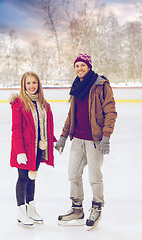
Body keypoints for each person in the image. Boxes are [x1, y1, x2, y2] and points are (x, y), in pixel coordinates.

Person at [55, 53, 117, 230]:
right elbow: (71, 115)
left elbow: (111, 112)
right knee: (73, 174)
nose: (79, 69)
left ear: (89, 66)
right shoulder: (76, 86)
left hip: (95, 140)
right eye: (77, 66)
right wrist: (63, 136)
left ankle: (97, 207)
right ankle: (77, 209)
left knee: (94, 177)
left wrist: (106, 137)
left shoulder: (101, 85)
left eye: (82, 65)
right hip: (78, 140)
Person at [9, 72, 56, 227]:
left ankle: (31, 208)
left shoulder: (43, 104)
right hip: (23, 150)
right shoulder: (19, 103)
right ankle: (21, 211)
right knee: (22, 178)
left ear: (38, 84)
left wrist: (53, 141)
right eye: (28, 83)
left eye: (34, 82)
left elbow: (46, 127)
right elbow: (16, 129)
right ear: (24, 85)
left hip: (37, 148)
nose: (31, 86)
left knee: (32, 177)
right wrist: (20, 152)